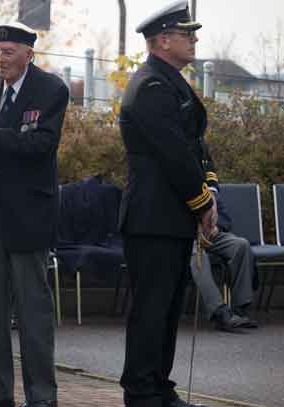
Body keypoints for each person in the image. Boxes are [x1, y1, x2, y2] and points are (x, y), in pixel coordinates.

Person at [0, 21, 68, 407]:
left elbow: (40, 144)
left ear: (28, 53)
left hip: (28, 213)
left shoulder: (52, 89)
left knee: (33, 311)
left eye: (7, 52)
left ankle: (41, 397)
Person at [118, 1, 217, 406]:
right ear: (162, 40)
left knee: (168, 309)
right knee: (151, 312)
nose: (193, 40)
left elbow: (194, 144)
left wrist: (209, 187)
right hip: (152, 218)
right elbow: (173, 153)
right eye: (185, 34)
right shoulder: (150, 86)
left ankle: (160, 386)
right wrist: (201, 203)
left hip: (170, 216)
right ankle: (141, 393)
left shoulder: (170, 80)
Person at [191, 193, 259, 332]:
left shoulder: (206, 189)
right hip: (188, 238)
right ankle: (220, 313)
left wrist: (216, 227)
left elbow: (225, 220)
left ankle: (240, 310)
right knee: (199, 256)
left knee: (241, 245)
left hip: (212, 235)